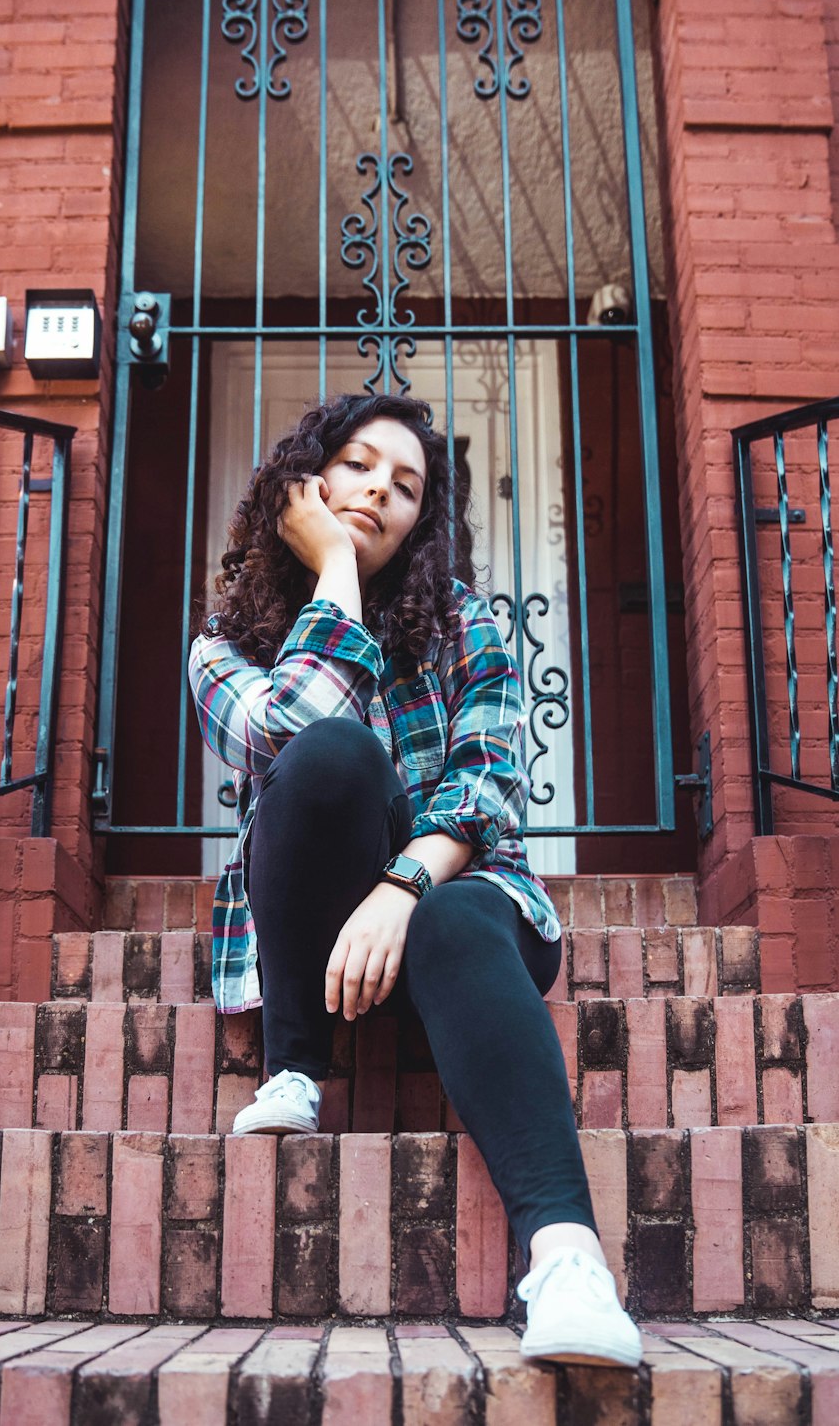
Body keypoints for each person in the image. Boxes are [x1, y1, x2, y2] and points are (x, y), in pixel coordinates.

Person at [188, 392, 641, 1369]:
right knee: (334, 753)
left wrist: (403, 884)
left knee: (455, 919)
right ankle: (295, 1066)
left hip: (456, 904)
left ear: (424, 519)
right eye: (358, 467)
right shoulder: (219, 650)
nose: (380, 493)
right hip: (322, 953)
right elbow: (290, 732)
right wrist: (340, 573)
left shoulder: (465, 626)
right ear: (306, 478)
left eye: (406, 487)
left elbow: (486, 779)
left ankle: (568, 1264)